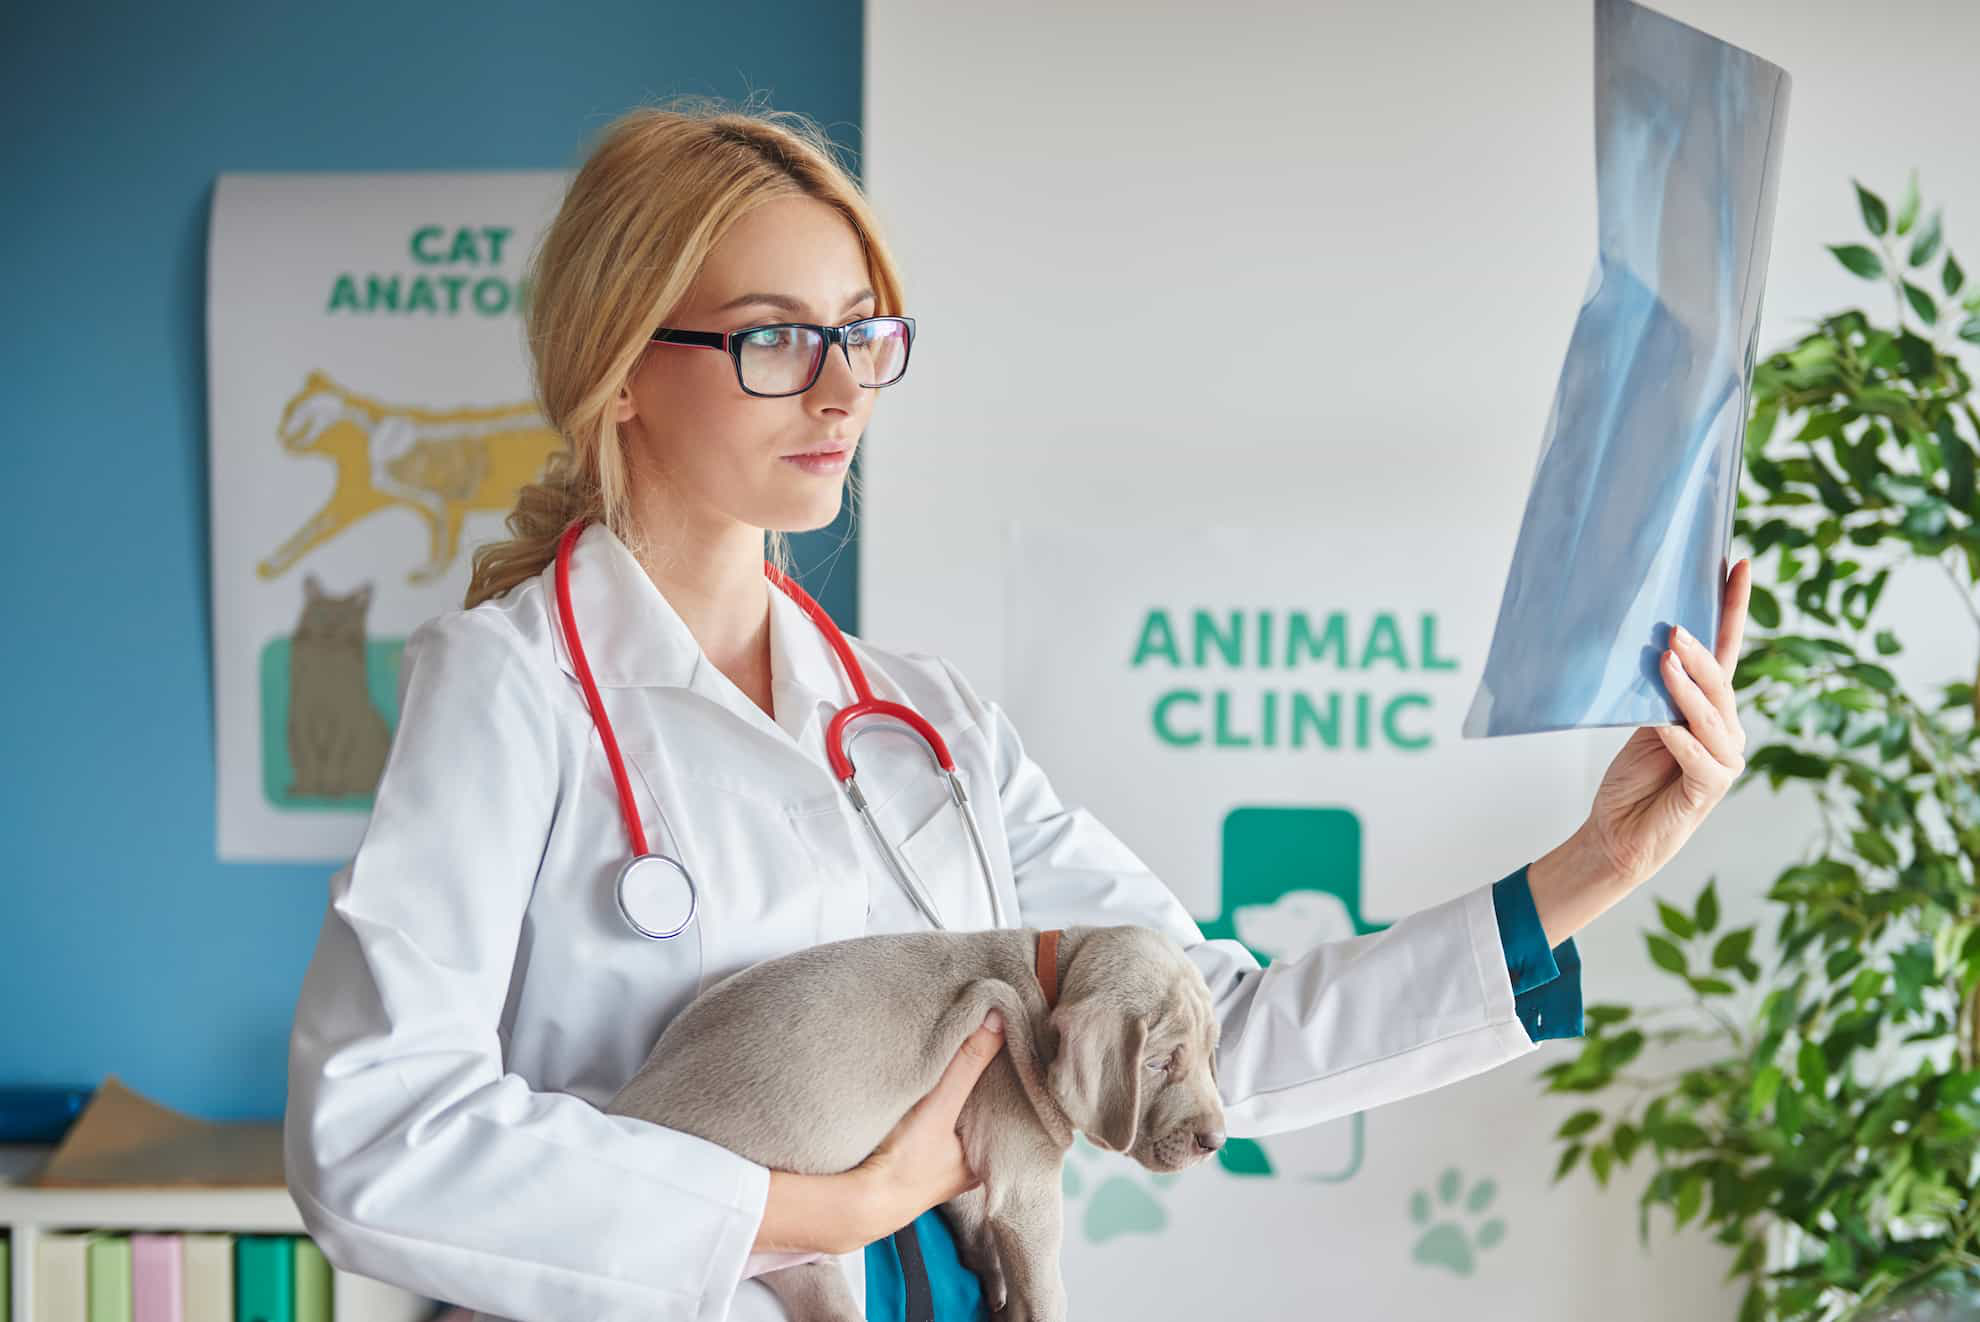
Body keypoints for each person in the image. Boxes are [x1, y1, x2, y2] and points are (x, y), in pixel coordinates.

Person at [283, 97, 1753, 1322]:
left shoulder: (924, 723)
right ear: (621, 371)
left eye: (864, 333)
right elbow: (376, 1133)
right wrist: (818, 1208)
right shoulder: (510, 684)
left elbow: (1210, 1022)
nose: (841, 388)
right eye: (776, 338)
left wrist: (1593, 865)